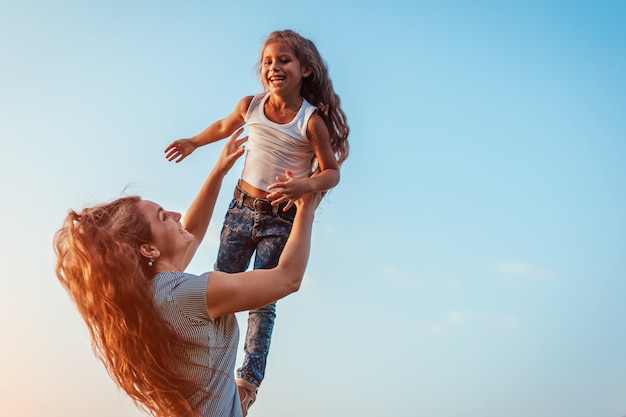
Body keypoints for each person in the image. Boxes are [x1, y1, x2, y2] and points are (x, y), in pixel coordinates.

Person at [54, 130, 322, 417]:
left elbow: (189, 232)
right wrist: (306, 207)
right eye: (163, 216)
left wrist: (219, 171)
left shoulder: (154, 295)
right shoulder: (185, 296)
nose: (176, 215)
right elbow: (288, 278)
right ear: (148, 250)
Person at [164, 29, 349, 413]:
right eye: (268, 61)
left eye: (284, 60)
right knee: (219, 287)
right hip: (240, 209)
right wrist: (194, 143)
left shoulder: (310, 122)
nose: (274, 67)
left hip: (278, 219)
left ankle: (247, 382)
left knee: (263, 300)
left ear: (306, 70)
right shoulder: (251, 105)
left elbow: (331, 171)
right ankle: (205, 365)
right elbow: (221, 127)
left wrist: (306, 184)